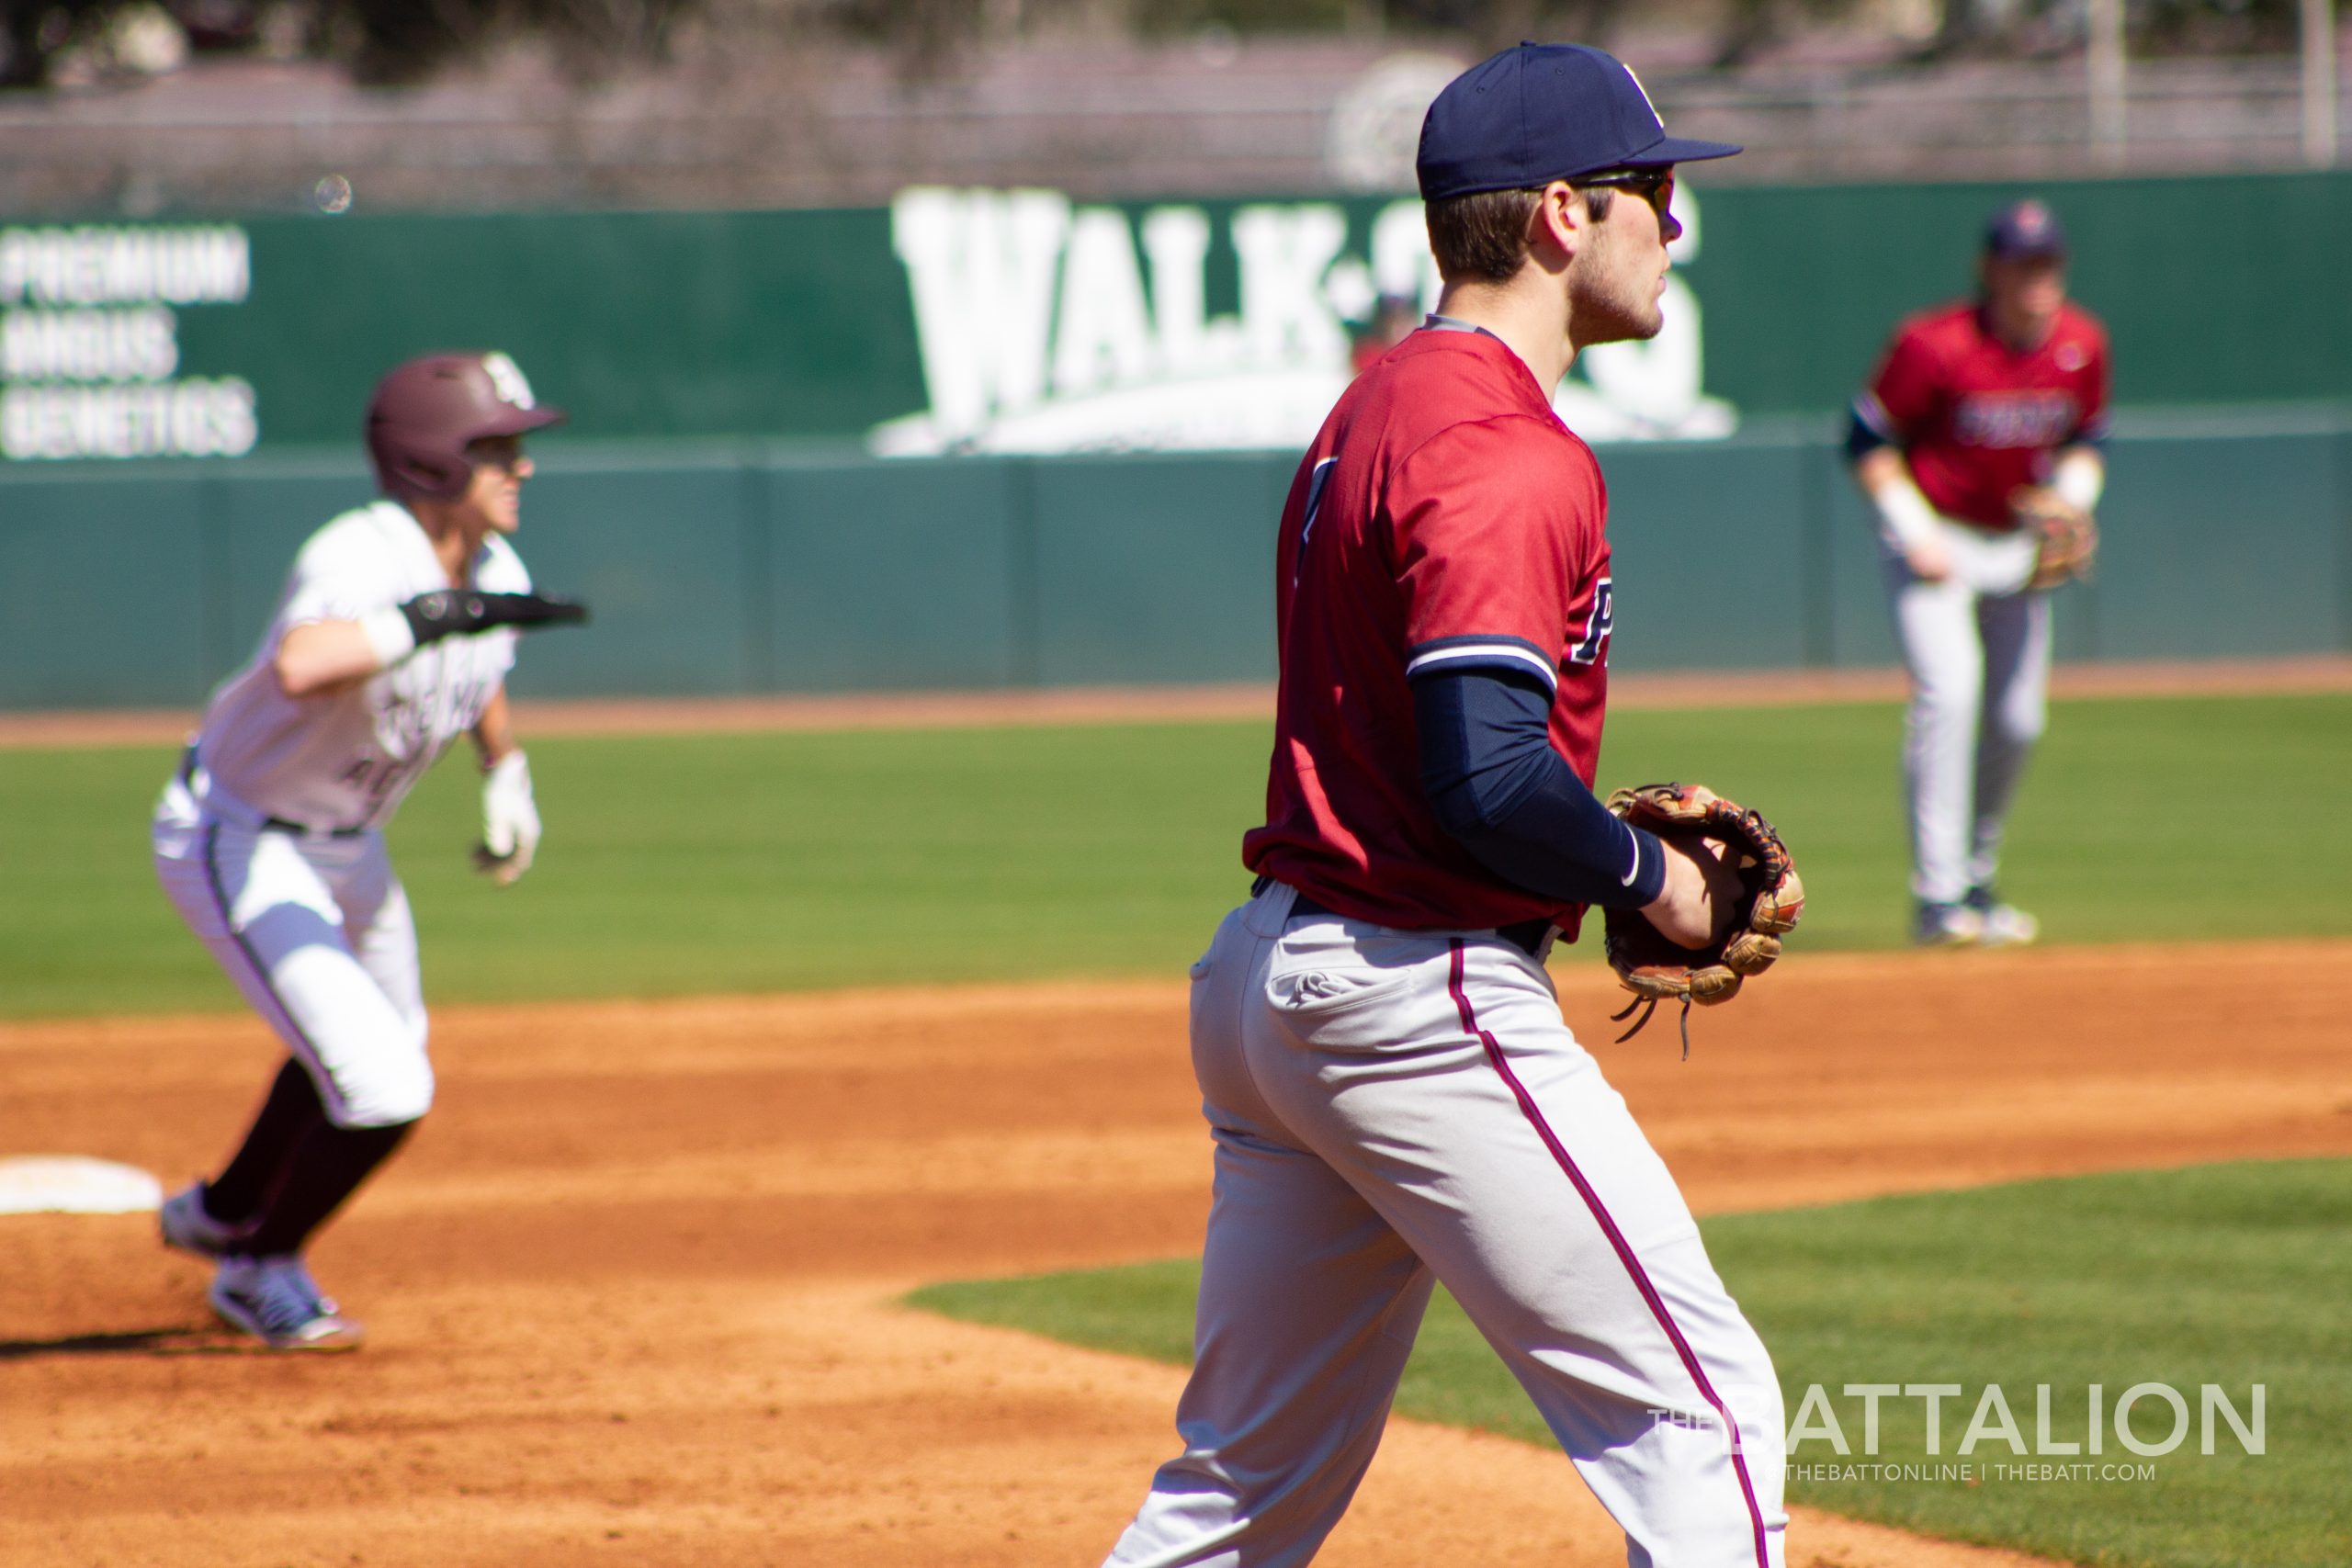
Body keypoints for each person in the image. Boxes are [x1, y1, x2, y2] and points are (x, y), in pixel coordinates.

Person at [1100, 44, 1789, 1568]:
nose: (1674, 225)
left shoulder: (1379, 403)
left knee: (1235, 1499)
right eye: (1655, 192)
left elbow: (1438, 753)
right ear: (1562, 212)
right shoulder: (1502, 444)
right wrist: (1641, 872)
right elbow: (1482, 773)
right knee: (1710, 1421)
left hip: (1279, 986)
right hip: (1415, 995)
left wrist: (1583, 840)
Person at [151, 351, 587, 1351]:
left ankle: (221, 1208)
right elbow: (306, 663)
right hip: (241, 838)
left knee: (373, 1047)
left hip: (354, 848)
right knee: (385, 1086)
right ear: (434, 461)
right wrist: (436, 616)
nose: (522, 468)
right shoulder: (359, 552)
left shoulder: (493, 567)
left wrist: (503, 772)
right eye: (499, 449)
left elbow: (477, 665)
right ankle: (259, 1262)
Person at [1849, 198, 2109, 947]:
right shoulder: (1935, 344)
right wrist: (1913, 529)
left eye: (2048, 263)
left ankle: (1975, 879)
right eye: (2022, 263)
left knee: (2020, 717)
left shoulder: (2082, 343)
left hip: (2017, 546)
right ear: (1990, 270)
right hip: (1936, 540)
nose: (2037, 278)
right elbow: (1866, 440)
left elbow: (2090, 438)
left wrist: (2072, 501)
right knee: (1950, 691)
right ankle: (1936, 898)